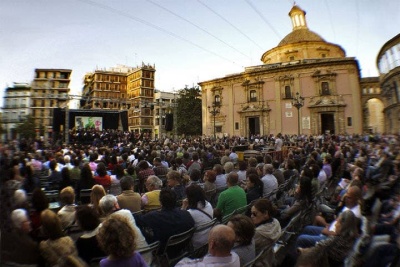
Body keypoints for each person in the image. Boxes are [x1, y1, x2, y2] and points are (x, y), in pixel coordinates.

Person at [296, 185, 362, 248]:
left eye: (349, 197)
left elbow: (340, 235)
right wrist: (329, 225)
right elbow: (337, 219)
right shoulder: (350, 205)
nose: (346, 199)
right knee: (307, 228)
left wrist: (324, 231)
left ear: (356, 199)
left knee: (301, 239)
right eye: (346, 196)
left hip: (330, 239)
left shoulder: (355, 215)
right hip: (330, 229)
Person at [135, 188, 195, 253]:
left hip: (164, 249)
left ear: (160, 202)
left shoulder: (153, 216)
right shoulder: (186, 214)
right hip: (182, 246)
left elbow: (137, 220)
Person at [251, 199, 282, 267]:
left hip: (258, 263)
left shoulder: (258, 233)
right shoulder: (276, 222)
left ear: (265, 213)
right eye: (251, 213)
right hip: (269, 259)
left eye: (254, 214)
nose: (251, 216)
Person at [182, 184, 214, 249]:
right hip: (209, 238)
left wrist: (183, 206)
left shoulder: (190, 213)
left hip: (197, 243)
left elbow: (179, 220)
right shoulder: (208, 204)